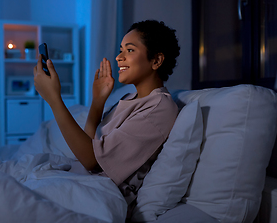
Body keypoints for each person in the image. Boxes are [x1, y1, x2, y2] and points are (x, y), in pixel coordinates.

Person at [33, 19, 180, 219]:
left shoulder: (159, 108)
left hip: (99, 193)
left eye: (129, 50)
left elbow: (92, 161)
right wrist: (97, 102)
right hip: (82, 179)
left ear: (156, 60)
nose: (119, 57)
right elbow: (89, 148)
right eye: (121, 50)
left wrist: (54, 100)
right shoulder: (129, 98)